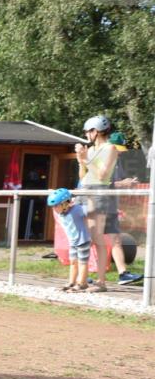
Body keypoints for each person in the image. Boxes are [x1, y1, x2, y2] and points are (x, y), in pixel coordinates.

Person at [74, 115, 118, 293]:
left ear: (96, 131)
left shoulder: (110, 148)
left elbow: (102, 175)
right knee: (84, 238)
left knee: (96, 237)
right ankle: (82, 278)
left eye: (88, 131)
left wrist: (85, 160)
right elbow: (82, 176)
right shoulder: (90, 150)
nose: (86, 134)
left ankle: (101, 281)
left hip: (99, 192)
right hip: (85, 190)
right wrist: (80, 159)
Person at [106, 132, 141, 285]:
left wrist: (129, 183)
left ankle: (123, 273)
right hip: (97, 205)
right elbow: (100, 184)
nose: (120, 152)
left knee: (116, 241)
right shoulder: (102, 159)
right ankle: (83, 276)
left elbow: (117, 182)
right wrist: (123, 184)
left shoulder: (117, 161)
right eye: (117, 148)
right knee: (90, 242)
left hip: (111, 206)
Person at [48, 188, 90, 293]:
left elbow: (89, 209)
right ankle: (72, 282)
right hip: (73, 242)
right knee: (73, 262)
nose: (54, 208)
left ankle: (82, 283)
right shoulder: (60, 213)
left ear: (65, 203)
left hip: (83, 240)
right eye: (53, 206)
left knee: (82, 262)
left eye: (56, 205)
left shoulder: (77, 209)